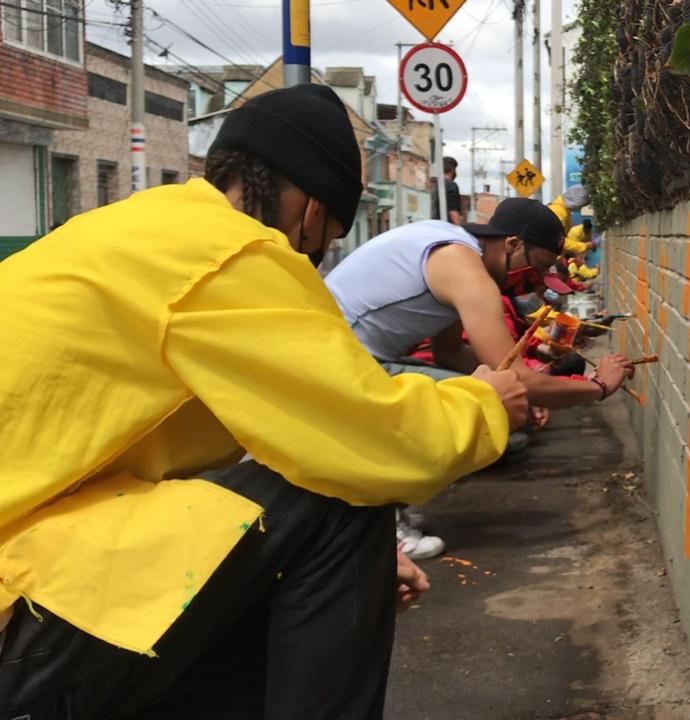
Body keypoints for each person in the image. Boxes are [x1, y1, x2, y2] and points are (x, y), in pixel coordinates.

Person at [0, 84, 528, 719]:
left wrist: (348, 569)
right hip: (20, 623)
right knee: (342, 495)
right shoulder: (232, 252)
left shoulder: (141, 230)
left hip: (32, 570)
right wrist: (486, 404)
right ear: (310, 212)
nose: (318, 253)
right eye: (330, 235)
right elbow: (373, 441)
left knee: (286, 557)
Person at [324, 197, 635, 556]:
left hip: (350, 357)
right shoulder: (465, 268)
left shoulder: (452, 249)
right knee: (447, 409)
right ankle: (382, 529)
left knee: (480, 400)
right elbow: (516, 375)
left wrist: (512, 392)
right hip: (339, 363)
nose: (533, 283)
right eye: (537, 267)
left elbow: (451, 352)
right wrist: (598, 387)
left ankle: (389, 510)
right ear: (513, 244)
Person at [431, 156, 464, 224]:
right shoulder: (451, 185)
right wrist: (459, 228)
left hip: (434, 225)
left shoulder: (435, 186)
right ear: (453, 169)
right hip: (447, 226)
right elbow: (453, 211)